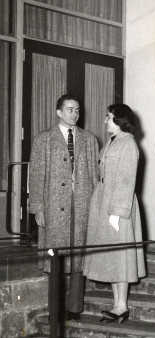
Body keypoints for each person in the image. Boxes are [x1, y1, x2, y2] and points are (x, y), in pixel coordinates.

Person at [29, 94, 99, 320]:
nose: (75, 114)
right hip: (53, 205)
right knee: (55, 257)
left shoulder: (89, 139)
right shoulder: (44, 139)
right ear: (59, 112)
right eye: (70, 109)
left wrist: (96, 205)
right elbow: (36, 175)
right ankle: (55, 309)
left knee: (79, 256)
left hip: (81, 205)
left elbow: (95, 175)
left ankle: (74, 308)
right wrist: (38, 206)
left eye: (77, 110)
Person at [83, 103, 146, 324]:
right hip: (105, 202)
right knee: (113, 258)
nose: (105, 121)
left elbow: (126, 180)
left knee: (120, 258)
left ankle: (122, 306)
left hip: (118, 206)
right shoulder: (114, 141)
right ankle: (118, 304)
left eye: (108, 117)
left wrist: (117, 212)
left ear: (119, 120)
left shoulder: (127, 143)